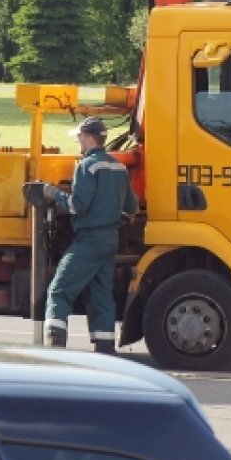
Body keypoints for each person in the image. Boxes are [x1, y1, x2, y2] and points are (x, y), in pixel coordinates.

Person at [38, 116, 138, 355]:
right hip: (110, 239)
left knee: (59, 290)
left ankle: (55, 344)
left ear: (89, 138)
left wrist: (52, 193)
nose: (78, 141)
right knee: (100, 292)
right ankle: (104, 347)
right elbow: (130, 208)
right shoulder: (119, 167)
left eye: (79, 137)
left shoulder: (86, 166)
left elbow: (77, 205)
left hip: (90, 240)